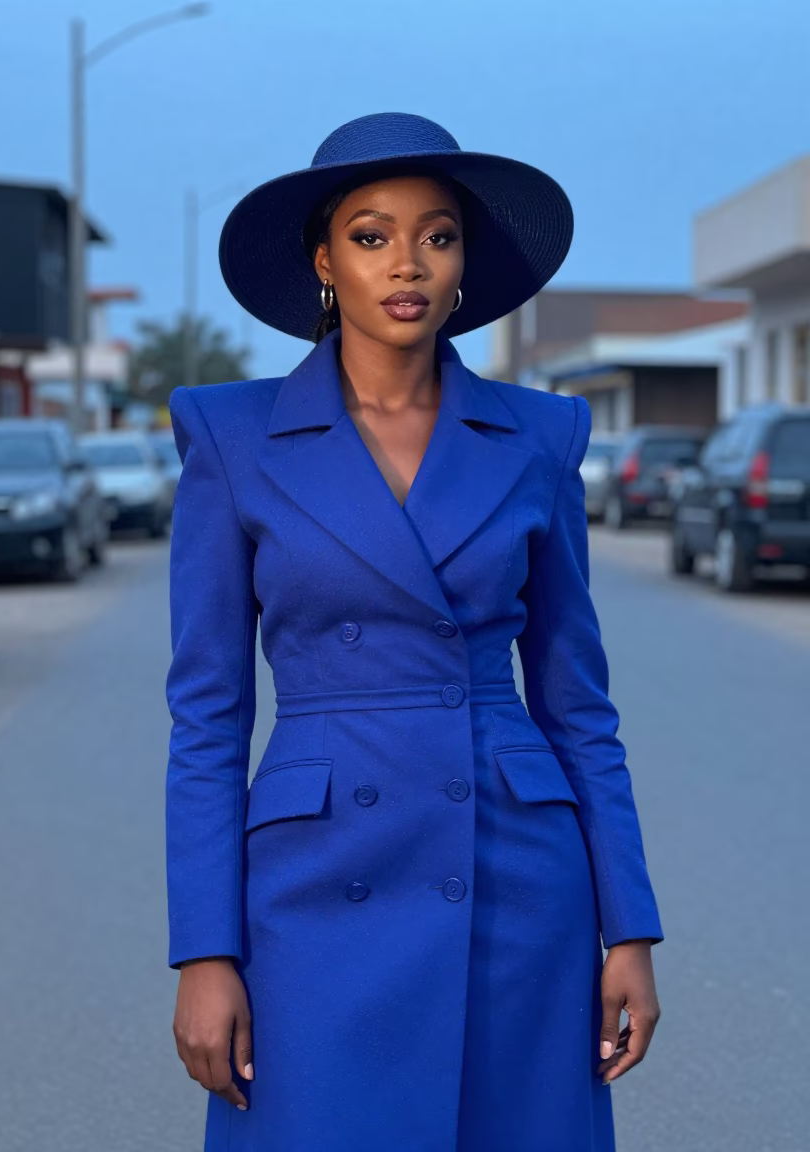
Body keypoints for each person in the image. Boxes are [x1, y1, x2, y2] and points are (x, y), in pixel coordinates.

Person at [165, 112, 663, 1152]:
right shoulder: (232, 435)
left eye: (438, 236)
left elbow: (576, 704)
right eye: (372, 233)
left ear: (465, 262)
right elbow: (207, 718)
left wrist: (630, 925)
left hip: (516, 872)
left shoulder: (537, 436)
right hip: (313, 881)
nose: (408, 263)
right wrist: (204, 952)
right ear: (325, 261)